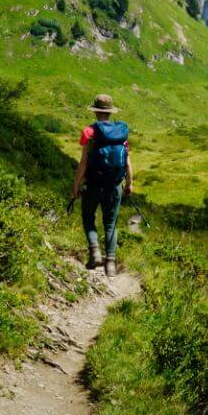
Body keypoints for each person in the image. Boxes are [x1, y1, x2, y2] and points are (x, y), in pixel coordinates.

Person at [71, 93, 131, 277]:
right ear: (110, 112)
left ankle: (95, 252)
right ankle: (110, 265)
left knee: (88, 216)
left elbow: (83, 162)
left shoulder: (89, 132)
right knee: (110, 223)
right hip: (114, 185)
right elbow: (128, 162)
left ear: (96, 112)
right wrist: (129, 183)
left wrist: (75, 186)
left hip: (93, 184)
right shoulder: (121, 133)